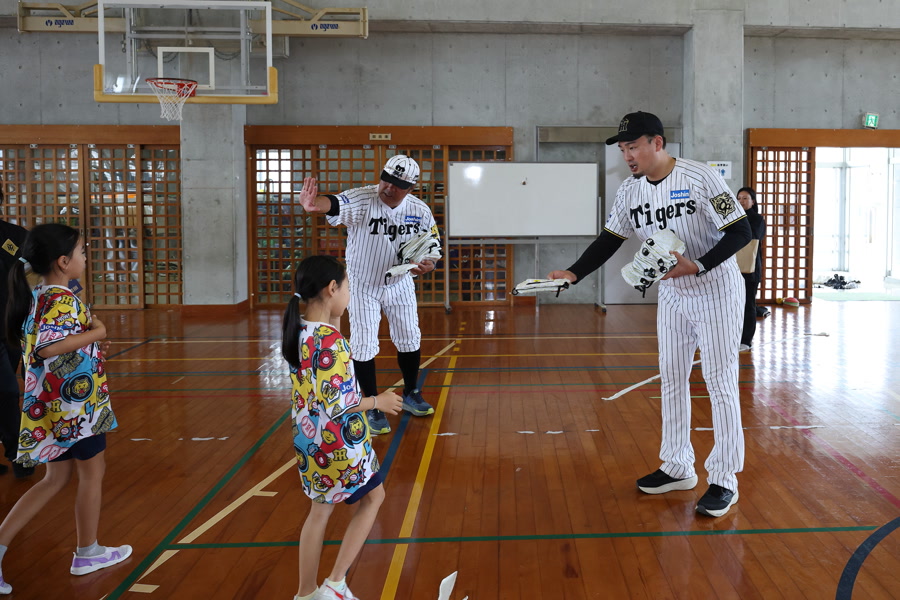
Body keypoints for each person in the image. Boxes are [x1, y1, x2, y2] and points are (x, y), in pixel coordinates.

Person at [549, 111, 751, 518]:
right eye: (623, 149)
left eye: (633, 146)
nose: (627, 155)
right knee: (672, 378)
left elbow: (741, 231)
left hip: (716, 289)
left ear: (657, 143)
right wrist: (574, 272)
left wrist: (698, 265)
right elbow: (609, 239)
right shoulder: (630, 191)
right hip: (673, 293)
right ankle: (677, 465)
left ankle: (725, 479)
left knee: (719, 382)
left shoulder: (701, 178)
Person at [0, 223, 130, 595]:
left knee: (54, 479)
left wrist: (87, 345)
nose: (85, 258)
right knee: (92, 473)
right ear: (62, 261)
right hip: (75, 410)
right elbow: (47, 348)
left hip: (55, 406)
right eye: (82, 252)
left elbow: (57, 345)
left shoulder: (40, 295)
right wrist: (97, 333)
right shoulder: (60, 299)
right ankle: (88, 552)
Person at [282, 255, 402, 600]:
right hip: (340, 443)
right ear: (332, 288)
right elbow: (340, 403)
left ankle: (306, 593)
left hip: (310, 442)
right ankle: (335, 584)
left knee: (319, 512)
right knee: (375, 498)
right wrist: (378, 401)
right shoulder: (330, 342)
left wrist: (335, 314)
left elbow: (329, 333)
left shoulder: (299, 330)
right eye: (347, 288)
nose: (349, 295)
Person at [298, 155, 439, 436]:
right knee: (363, 343)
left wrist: (428, 265)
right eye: (386, 179)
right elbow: (334, 203)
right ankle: (373, 404)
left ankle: (411, 392)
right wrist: (314, 204)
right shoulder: (363, 199)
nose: (388, 187)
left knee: (410, 336)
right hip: (363, 285)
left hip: (400, 282)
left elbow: (432, 247)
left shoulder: (420, 210)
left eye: (398, 184)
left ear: (411, 187)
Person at [0, 182, 33, 478]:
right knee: (8, 391)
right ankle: (17, 453)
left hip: (12, 326)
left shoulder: (15, 236)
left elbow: (34, 268)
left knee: (8, 389)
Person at [736, 187, 767, 351]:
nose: (741, 201)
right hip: (733, 269)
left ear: (753, 201)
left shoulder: (757, 219)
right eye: (739, 198)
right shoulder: (733, 217)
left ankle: (746, 340)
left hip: (751, 269)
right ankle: (734, 336)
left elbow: (752, 238)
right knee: (734, 305)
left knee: (748, 304)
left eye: (745, 198)